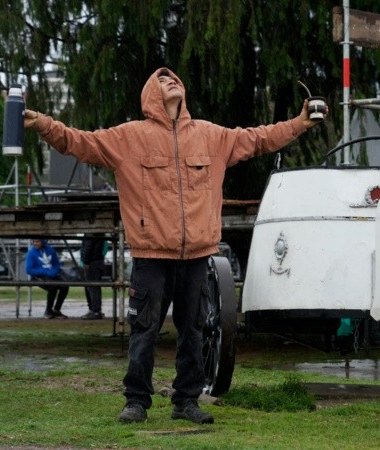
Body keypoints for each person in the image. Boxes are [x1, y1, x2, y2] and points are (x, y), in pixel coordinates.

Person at [24, 67, 326, 424]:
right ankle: (136, 401)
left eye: (174, 78)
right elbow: (79, 142)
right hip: (151, 255)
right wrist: (44, 123)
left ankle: (187, 401)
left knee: (194, 330)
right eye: (161, 79)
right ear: (150, 93)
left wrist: (299, 122)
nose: (170, 80)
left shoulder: (212, 136)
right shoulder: (128, 137)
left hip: (198, 255)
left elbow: (259, 138)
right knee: (144, 330)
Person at [25, 238, 69, 319]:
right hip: (38, 276)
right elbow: (29, 269)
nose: (35, 243)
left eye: (37, 241)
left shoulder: (51, 250)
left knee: (65, 286)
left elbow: (56, 264)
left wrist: (54, 272)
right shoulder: (31, 252)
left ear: (43, 241)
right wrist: (46, 272)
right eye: (34, 241)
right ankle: (48, 311)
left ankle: (56, 310)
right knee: (52, 287)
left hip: (52, 275)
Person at [80, 234, 107, 320]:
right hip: (98, 261)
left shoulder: (91, 231)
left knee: (92, 287)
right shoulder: (101, 232)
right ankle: (95, 310)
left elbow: (88, 246)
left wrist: (86, 261)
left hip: (92, 262)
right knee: (95, 287)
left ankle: (95, 311)